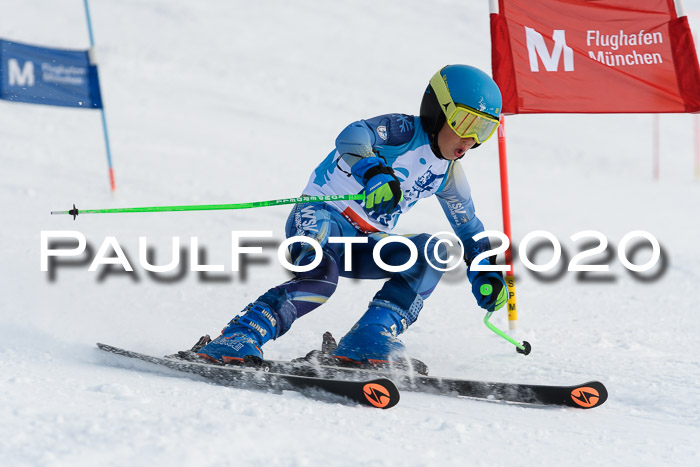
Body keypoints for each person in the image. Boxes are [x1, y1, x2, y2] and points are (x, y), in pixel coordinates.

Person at [196, 64, 508, 366]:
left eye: (484, 130)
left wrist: (485, 269)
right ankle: (239, 336)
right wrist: (374, 172)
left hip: (365, 242)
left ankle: (369, 339)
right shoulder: (402, 131)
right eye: (465, 123)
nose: (471, 140)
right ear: (437, 111)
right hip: (321, 216)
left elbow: (469, 229)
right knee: (320, 278)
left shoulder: (448, 174)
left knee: (433, 253)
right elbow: (352, 136)